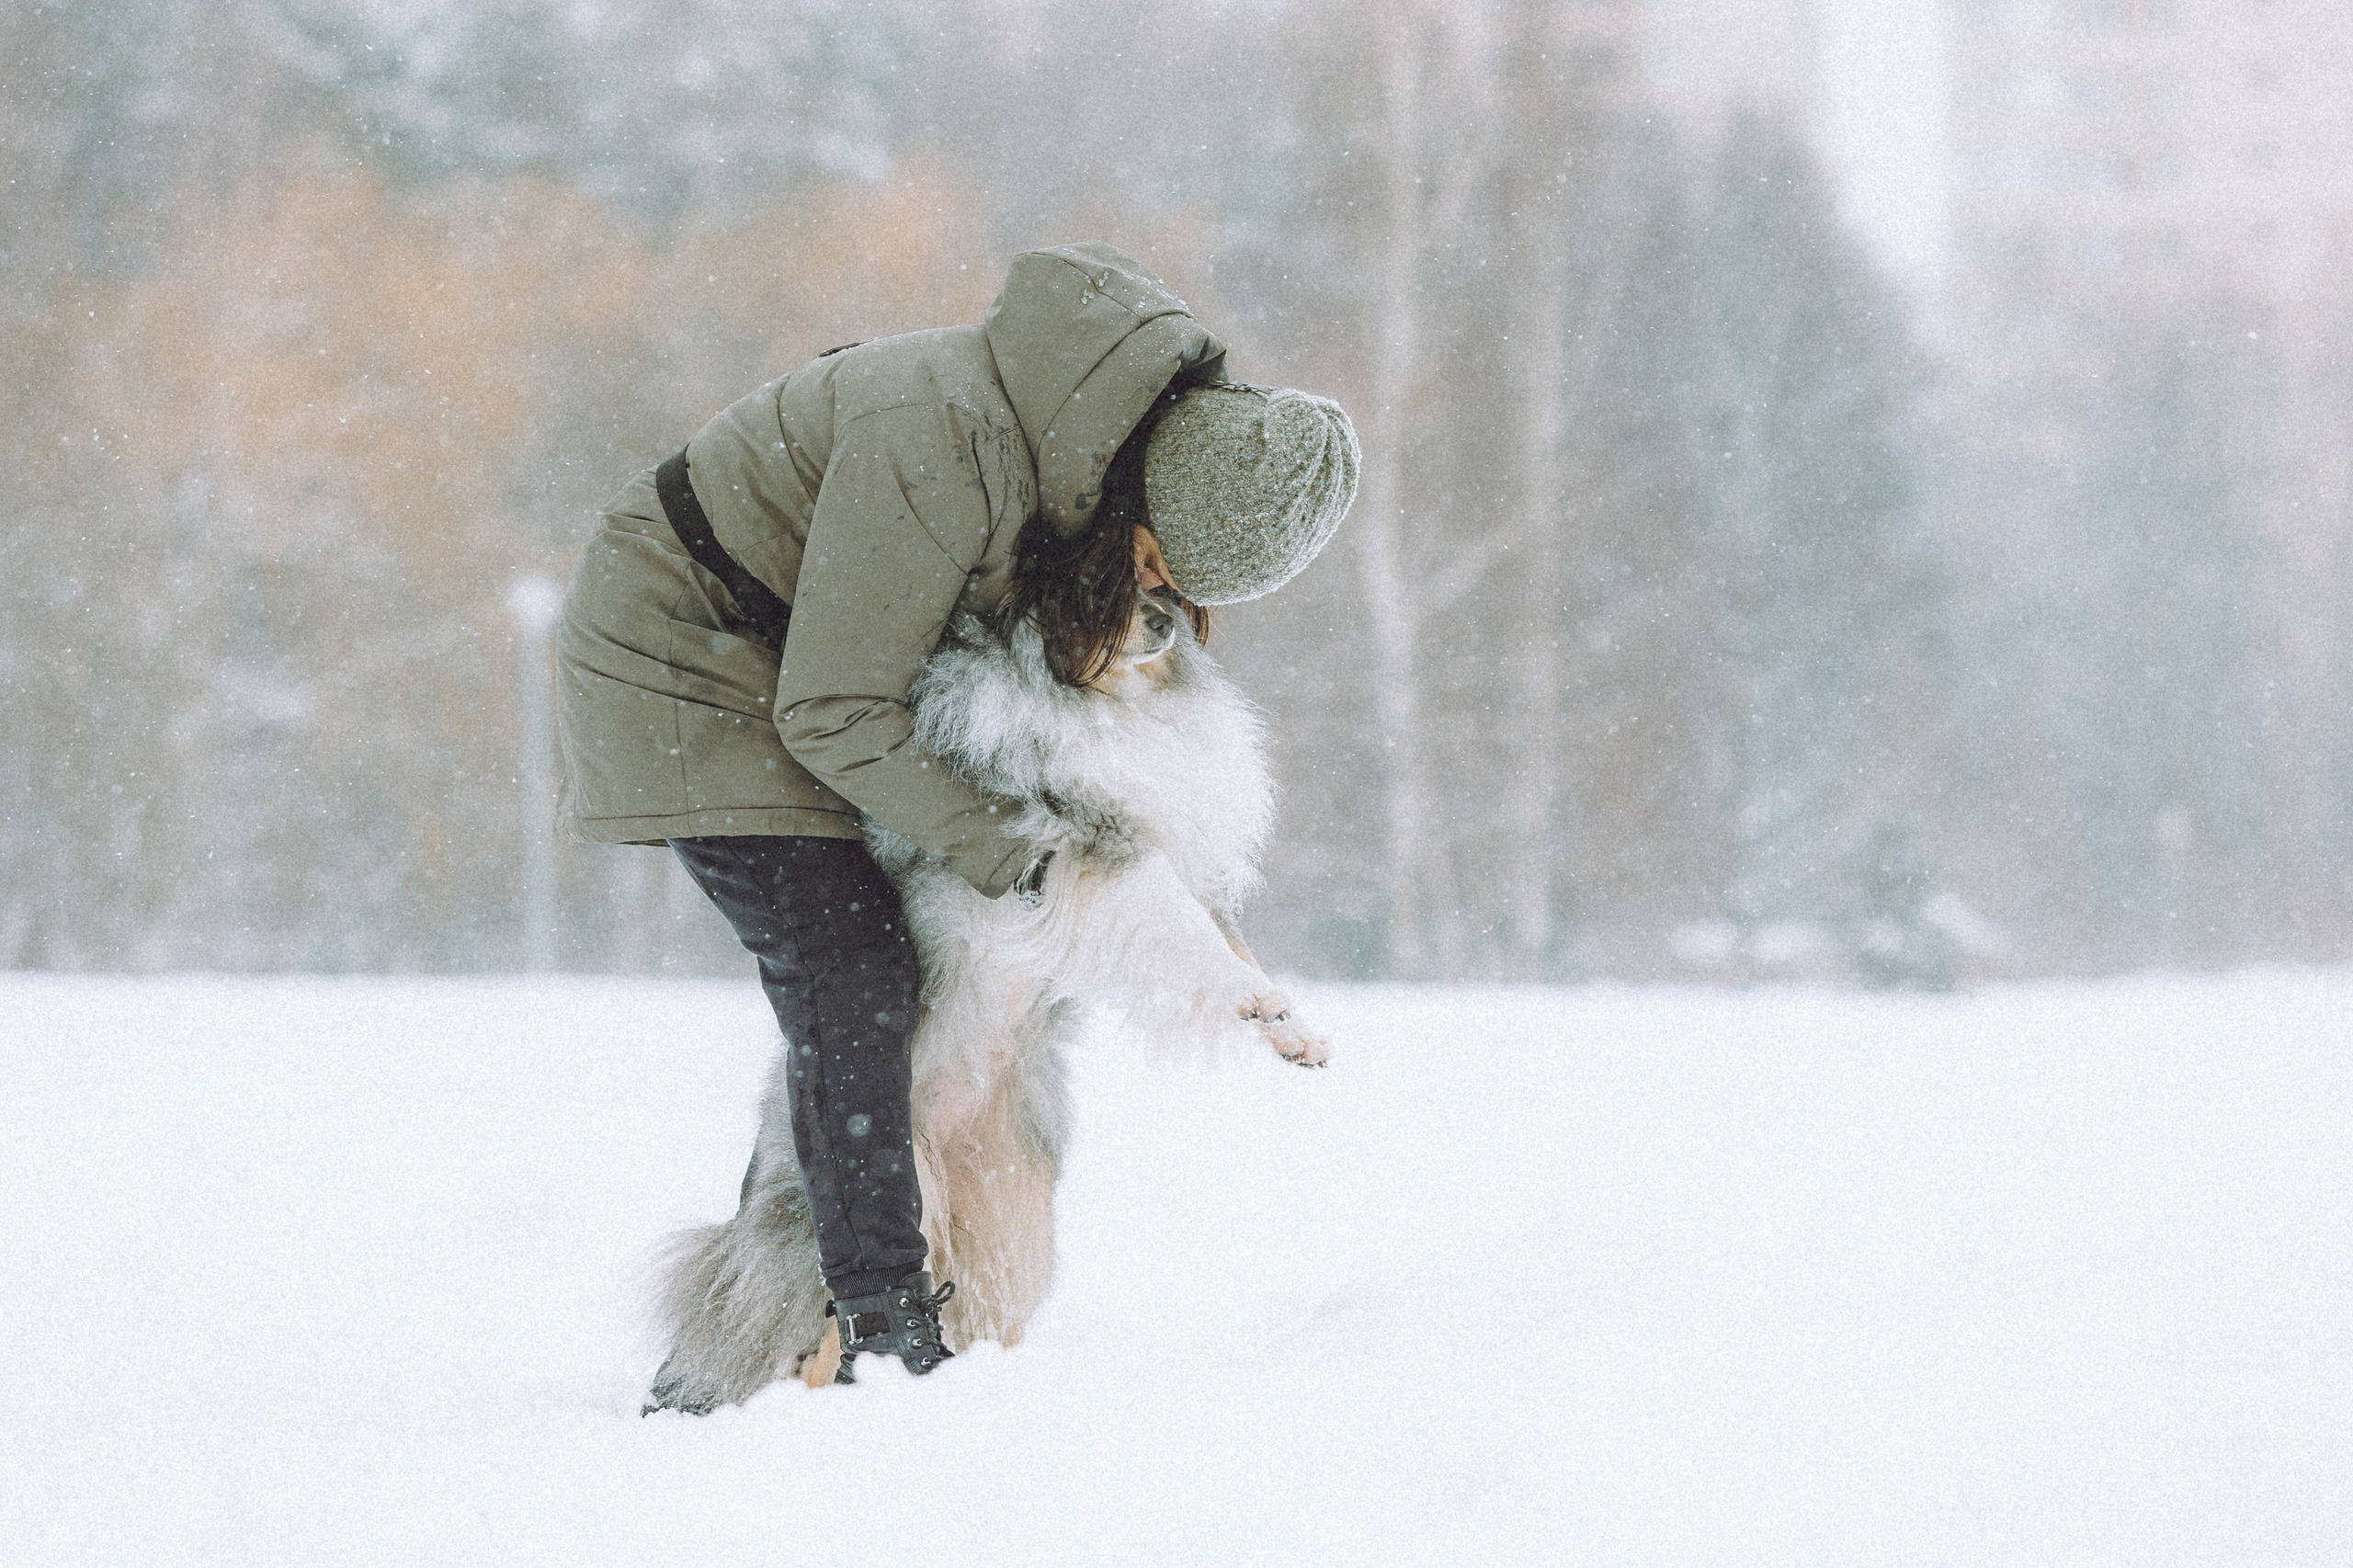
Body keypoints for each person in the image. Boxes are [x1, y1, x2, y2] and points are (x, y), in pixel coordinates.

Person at [553, 242, 1357, 1384]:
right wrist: (1010, 846)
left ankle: (802, 1308)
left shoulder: (1068, 456)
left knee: (919, 985)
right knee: (850, 963)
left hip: (809, 664)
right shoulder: (946, 446)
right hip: (689, 655)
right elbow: (832, 708)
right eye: (1161, 563)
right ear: (1151, 497)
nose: (1155, 594)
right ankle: (875, 1325)